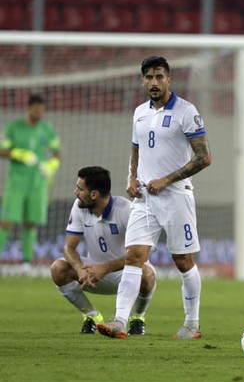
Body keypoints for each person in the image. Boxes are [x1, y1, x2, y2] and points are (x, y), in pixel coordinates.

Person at [97, 56, 212, 340]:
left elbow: (204, 158)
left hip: (176, 197)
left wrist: (167, 179)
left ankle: (192, 324)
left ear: (169, 79)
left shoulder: (186, 111)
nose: (154, 82)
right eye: (148, 77)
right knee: (134, 257)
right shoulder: (139, 113)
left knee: (183, 260)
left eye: (159, 76)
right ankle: (119, 321)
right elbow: (135, 149)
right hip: (145, 198)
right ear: (142, 80)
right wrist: (130, 178)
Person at [51, 166, 156, 335]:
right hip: (91, 274)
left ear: (94, 194)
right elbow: (69, 247)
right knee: (58, 268)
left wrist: (105, 268)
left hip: (125, 274)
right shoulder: (79, 207)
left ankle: (137, 318)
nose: (75, 192)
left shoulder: (127, 210)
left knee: (146, 273)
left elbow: (142, 254)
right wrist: (79, 269)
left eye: (80, 189)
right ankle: (92, 316)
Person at [0, 94, 62, 271]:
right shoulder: (14, 128)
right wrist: (17, 153)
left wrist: (51, 164)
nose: (39, 112)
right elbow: (1, 150)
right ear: (29, 108)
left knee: (30, 222)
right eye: (36, 109)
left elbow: (58, 152)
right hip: (16, 184)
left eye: (42, 109)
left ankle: (26, 263)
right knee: (5, 222)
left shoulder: (46, 129)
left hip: (38, 184)